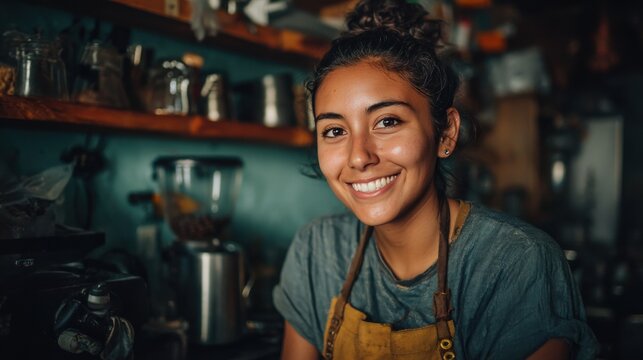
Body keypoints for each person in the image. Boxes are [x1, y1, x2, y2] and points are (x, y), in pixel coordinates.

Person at [273, 0, 598, 358]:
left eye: (387, 122)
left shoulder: (515, 262)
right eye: (334, 130)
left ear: (445, 133)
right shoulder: (317, 251)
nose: (359, 156)